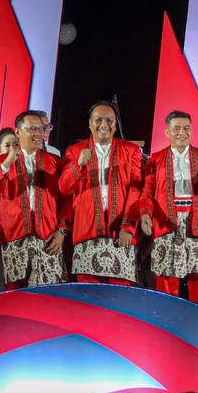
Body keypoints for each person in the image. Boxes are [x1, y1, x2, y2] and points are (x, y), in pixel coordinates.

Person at [59, 101, 145, 284]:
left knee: (120, 298)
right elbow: (64, 188)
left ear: (116, 124)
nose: (104, 124)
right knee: (88, 298)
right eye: (98, 119)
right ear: (90, 123)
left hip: (121, 234)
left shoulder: (131, 151)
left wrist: (128, 227)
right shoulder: (75, 151)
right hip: (86, 232)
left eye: (109, 120)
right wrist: (79, 164)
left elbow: (136, 191)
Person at [140, 110, 198, 305]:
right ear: (167, 132)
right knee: (167, 284)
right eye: (176, 128)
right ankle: (167, 329)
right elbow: (147, 194)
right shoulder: (155, 160)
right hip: (167, 223)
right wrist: (145, 214)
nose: (182, 132)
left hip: (196, 224)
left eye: (186, 128)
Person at [0, 110, 68, 288]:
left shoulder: (54, 161)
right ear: (18, 131)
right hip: (14, 237)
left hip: (48, 238)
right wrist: (8, 162)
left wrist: (61, 231)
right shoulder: (1, 161)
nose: (38, 134)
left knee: (49, 296)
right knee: (17, 297)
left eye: (41, 128)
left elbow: (66, 201)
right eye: (32, 129)